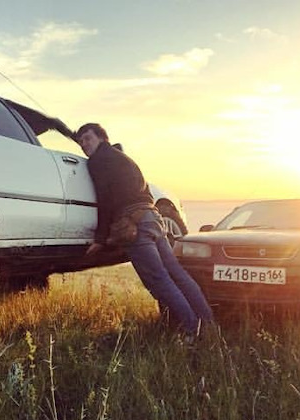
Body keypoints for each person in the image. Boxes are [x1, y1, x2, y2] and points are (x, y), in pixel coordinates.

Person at [75, 123, 214, 339]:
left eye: (88, 138)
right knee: (177, 273)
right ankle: (208, 324)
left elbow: (105, 200)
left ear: (102, 138)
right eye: (81, 141)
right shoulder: (126, 159)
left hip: (135, 224)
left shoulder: (98, 161)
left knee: (159, 279)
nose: (84, 145)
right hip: (153, 218)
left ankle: (191, 331)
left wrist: (100, 239)